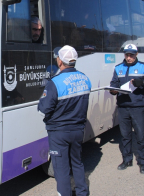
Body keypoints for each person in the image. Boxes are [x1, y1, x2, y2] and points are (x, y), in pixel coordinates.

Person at [38, 45, 91, 196]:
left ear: (60, 61)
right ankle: (82, 192)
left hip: (59, 132)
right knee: (77, 162)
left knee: (61, 169)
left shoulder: (55, 82)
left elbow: (44, 108)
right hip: (78, 130)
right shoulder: (85, 79)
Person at [109, 44, 144, 174]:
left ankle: (143, 162)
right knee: (125, 136)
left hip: (138, 107)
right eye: (127, 55)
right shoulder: (118, 68)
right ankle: (127, 160)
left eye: (131, 55)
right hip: (123, 107)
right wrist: (113, 90)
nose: (129, 57)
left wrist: (142, 83)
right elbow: (113, 84)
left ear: (136, 54)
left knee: (140, 136)